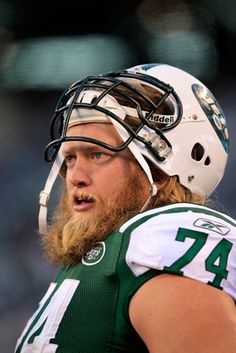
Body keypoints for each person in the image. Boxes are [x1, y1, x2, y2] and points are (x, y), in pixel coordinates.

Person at [15, 63, 236, 353]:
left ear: (158, 172)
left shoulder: (162, 242)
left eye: (96, 153)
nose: (74, 177)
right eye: (69, 159)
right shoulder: (105, 256)